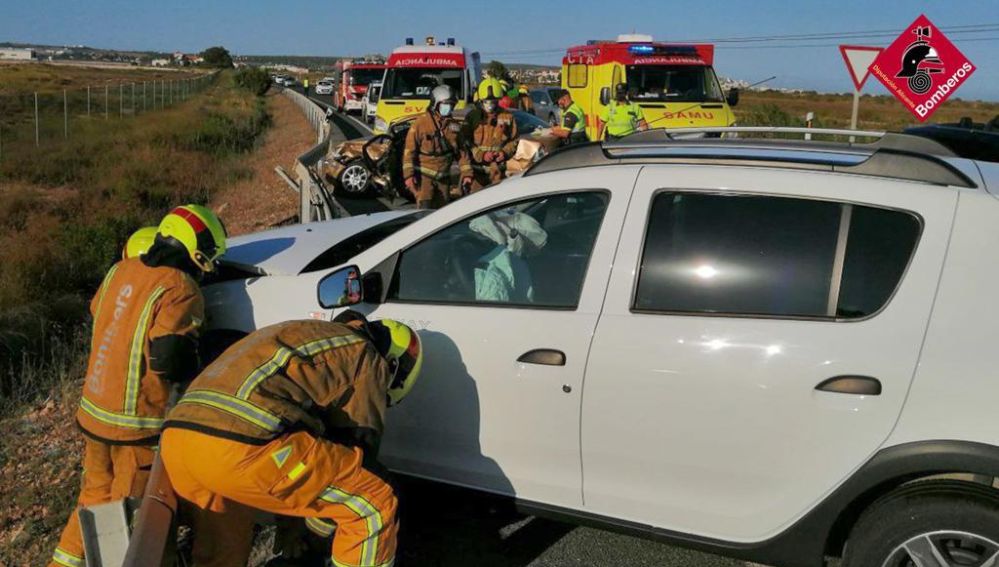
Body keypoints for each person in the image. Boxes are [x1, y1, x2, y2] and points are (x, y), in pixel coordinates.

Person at [159, 313, 424, 567]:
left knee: (222, 554)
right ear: (394, 366)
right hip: (239, 448)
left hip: (178, 439)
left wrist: (291, 526)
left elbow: (303, 450)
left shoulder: (308, 334)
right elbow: (356, 449)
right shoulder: (366, 356)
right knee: (374, 500)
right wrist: (313, 535)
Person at [49, 205, 227, 567]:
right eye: (209, 256)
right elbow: (170, 359)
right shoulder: (181, 287)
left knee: (94, 496)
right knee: (133, 522)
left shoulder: (121, 270)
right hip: (135, 429)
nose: (208, 264)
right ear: (195, 251)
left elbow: (101, 313)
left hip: (94, 414)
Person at [402, 85, 471, 209]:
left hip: (443, 179)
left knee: (441, 214)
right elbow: (409, 152)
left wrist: (467, 174)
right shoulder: (421, 124)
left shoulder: (454, 127)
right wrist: (409, 176)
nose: (448, 108)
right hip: (424, 179)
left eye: (451, 105)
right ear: (436, 104)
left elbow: (462, 154)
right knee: (424, 212)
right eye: (445, 104)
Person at [465, 78, 519, 192]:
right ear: (481, 101)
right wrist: (480, 154)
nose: (490, 105)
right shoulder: (472, 117)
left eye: (493, 102)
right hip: (477, 174)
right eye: (486, 102)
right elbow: (465, 141)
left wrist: (504, 153)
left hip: (497, 173)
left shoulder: (507, 116)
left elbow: (514, 140)